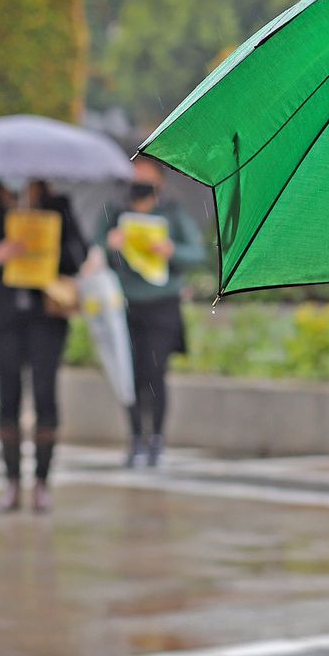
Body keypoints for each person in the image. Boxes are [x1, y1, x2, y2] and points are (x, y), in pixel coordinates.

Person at [0, 179, 88, 513]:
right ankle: (12, 482)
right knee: (8, 396)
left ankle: (42, 482)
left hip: (46, 317)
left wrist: (50, 245)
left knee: (45, 395)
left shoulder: (57, 205)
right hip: (3, 319)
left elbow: (79, 256)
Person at [95, 157, 206, 468]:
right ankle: (135, 438)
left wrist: (171, 250)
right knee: (129, 374)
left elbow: (197, 252)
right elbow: (92, 251)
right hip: (124, 305)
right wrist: (109, 244)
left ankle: (155, 437)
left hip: (162, 305)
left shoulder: (172, 212)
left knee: (154, 373)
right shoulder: (115, 212)